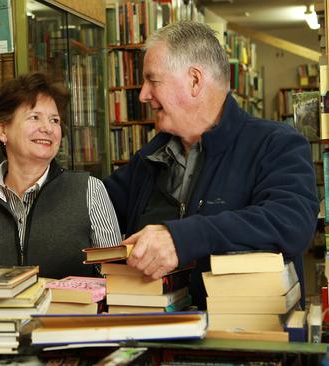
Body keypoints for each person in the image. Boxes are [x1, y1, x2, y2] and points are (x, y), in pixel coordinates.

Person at [103, 21, 318, 309]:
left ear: (194, 80)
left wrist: (182, 239)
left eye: (152, 81)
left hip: (244, 341)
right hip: (153, 340)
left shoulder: (276, 144)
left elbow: (291, 223)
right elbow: (94, 206)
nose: (142, 95)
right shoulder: (149, 160)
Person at [0, 72, 122, 279]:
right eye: (34, 117)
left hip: (66, 311)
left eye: (54, 120)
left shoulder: (89, 190)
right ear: (2, 130)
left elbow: (114, 277)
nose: (48, 128)